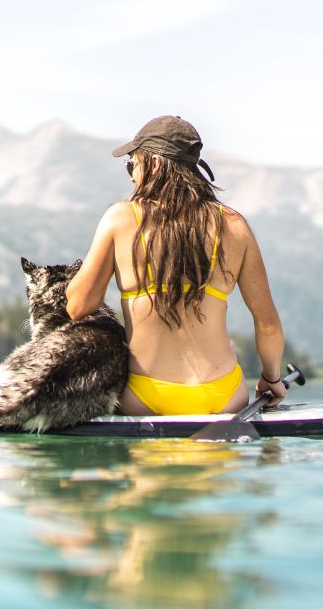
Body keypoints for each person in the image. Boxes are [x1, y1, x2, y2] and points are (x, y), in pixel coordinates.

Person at [65, 116, 287, 415]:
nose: (131, 175)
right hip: (222, 396)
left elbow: (78, 307)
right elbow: (268, 324)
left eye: (132, 163)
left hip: (144, 394)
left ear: (153, 164)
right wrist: (271, 378)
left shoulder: (121, 218)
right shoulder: (234, 226)